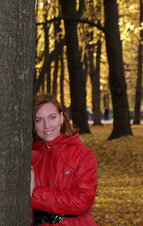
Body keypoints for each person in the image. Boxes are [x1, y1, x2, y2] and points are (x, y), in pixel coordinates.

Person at [30, 94, 98, 226]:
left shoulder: (83, 155)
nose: (47, 126)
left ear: (61, 118)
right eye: (39, 120)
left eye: (52, 117)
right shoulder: (29, 157)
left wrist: (36, 194)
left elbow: (82, 202)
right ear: (33, 124)